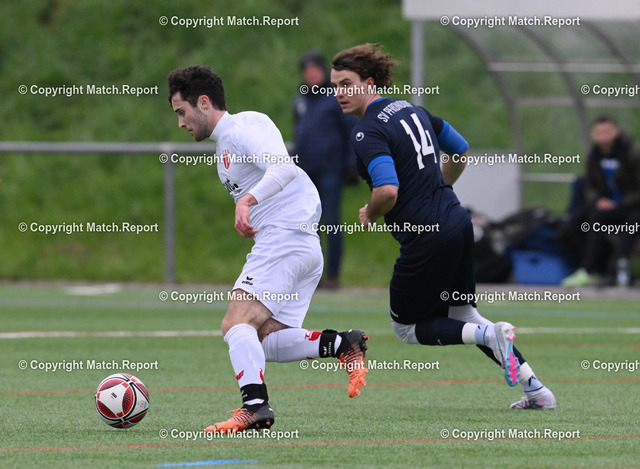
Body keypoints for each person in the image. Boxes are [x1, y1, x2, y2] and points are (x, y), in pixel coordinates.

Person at [330, 43, 555, 409]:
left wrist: (371, 212)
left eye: (346, 84)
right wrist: (438, 189)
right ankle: (537, 390)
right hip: (457, 221)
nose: (339, 93)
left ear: (369, 83)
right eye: (334, 86)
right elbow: (460, 150)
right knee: (464, 314)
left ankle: (490, 336)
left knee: (407, 328)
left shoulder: (366, 131)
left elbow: (387, 189)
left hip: (426, 237)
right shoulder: (413, 110)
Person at [167, 65, 368, 433]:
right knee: (265, 338)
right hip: (296, 245)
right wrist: (252, 208)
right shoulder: (225, 145)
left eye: (182, 112)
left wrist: (247, 200)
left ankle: (255, 407)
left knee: (236, 323)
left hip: (286, 238)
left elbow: (284, 169)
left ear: (204, 103)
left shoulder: (246, 126)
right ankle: (342, 344)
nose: (180, 123)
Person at [294, 50, 357, 289]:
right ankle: (313, 276)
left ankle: (332, 274)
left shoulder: (335, 98)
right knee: (308, 225)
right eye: (307, 70)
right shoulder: (301, 100)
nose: (311, 75)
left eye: (315, 70)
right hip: (306, 172)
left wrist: (351, 165)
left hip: (331, 170)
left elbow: (351, 132)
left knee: (331, 221)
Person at [561, 116, 640, 287]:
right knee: (577, 222)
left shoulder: (632, 154)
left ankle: (613, 270)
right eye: (599, 132)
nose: (603, 136)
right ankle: (592, 269)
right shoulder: (594, 156)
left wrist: (620, 203)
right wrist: (598, 200)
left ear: (616, 132)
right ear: (593, 135)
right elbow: (590, 186)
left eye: (607, 132)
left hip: (632, 206)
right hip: (608, 207)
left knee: (633, 221)